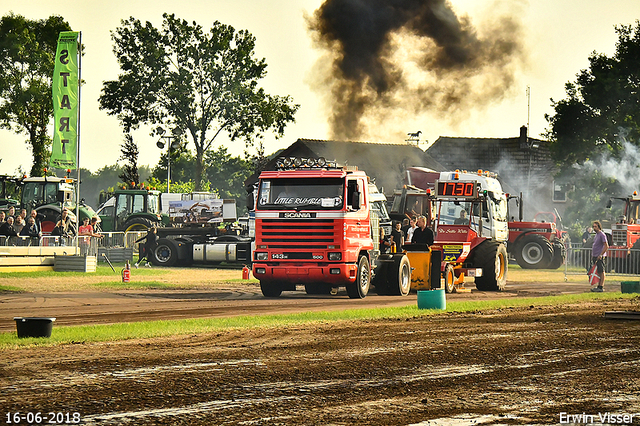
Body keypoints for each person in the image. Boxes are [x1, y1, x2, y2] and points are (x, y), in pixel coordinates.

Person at [590, 220, 609, 292]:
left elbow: (606, 246)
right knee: (598, 271)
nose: (594, 228)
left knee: (601, 271)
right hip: (595, 256)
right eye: (593, 227)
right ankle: (598, 285)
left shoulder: (602, 235)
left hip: (600, 256)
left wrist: (601, 254)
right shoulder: (596, 235)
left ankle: (601, 286)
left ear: (599, 227)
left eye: (595, 226)